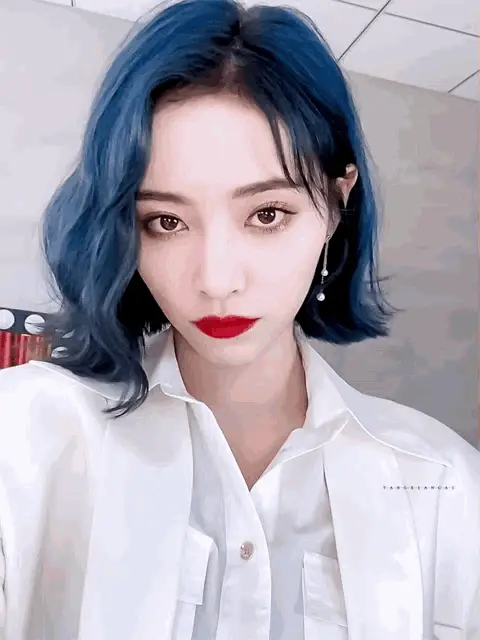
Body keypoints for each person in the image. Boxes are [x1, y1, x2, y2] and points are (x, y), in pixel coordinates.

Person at [0, 0, 479, 638]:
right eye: (165, 221)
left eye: (266, 215)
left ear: (336, 204)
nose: (216, 279)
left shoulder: (444, 483)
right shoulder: (25, 436)